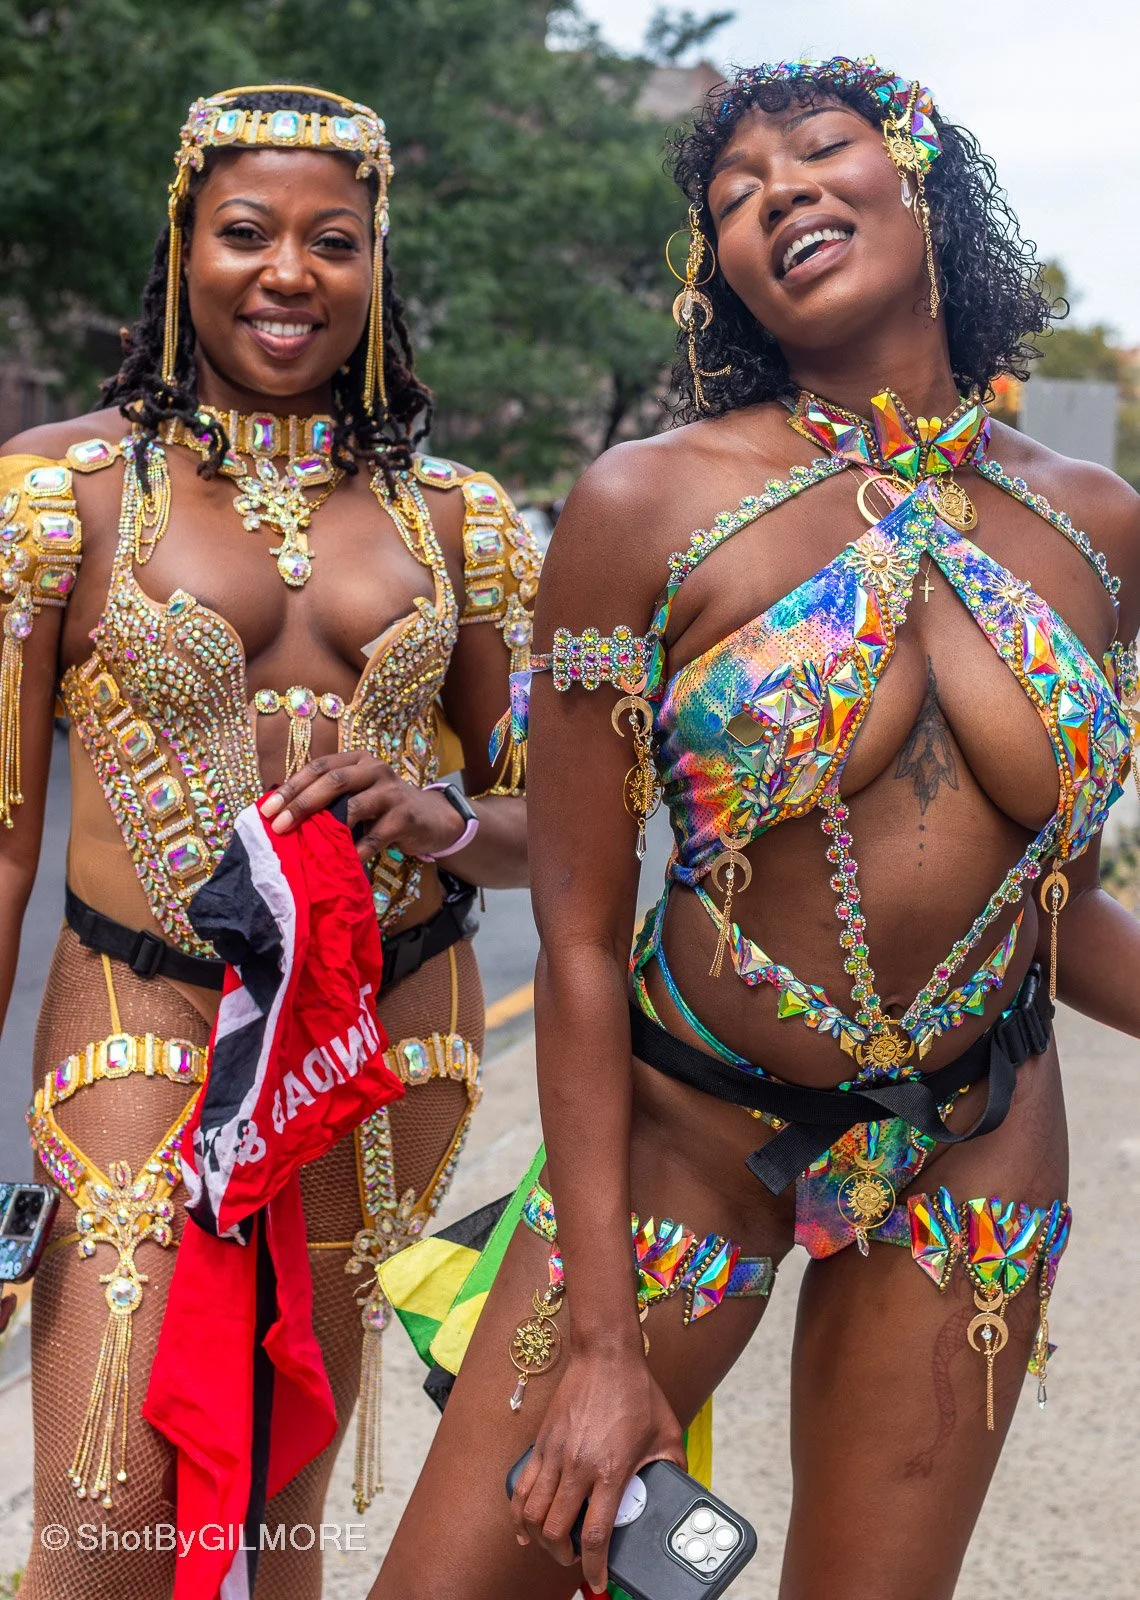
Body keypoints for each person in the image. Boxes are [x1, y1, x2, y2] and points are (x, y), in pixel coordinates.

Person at [372, 56, 1140, 1600]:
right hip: (685, 1144)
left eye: (819, 153)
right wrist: (599, 1340)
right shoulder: (645, 505)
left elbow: (1053, 904)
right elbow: (579, 935)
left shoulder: (1097, 526)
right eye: (733, 193)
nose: (776, 192)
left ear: (919, 180)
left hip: (974, 1149)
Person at [0, 83, 536, 1599]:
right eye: (247, 233)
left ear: (377, 266)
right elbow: (2, 849)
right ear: (183, 249)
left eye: (335, 240)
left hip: (377, 1037)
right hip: (138, 1015)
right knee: (108, 1514)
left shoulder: (462, 524)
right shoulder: (58, 497)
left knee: (281, 1490)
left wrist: (438, 813)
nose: (289, 273)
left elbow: (554, 827)